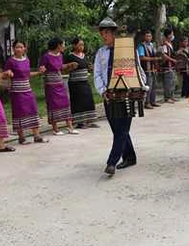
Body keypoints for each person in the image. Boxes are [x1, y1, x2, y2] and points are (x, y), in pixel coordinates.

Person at [93, 18, 144, 177]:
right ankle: (130, 157)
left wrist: (143, 87)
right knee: (118, 130)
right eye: (102, 34)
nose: (104, 37)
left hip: (126, 95)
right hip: (109, 96)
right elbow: (97, 74)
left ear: (114, 34)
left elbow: (138, 71)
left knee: (122, 129)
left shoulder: (129, 50)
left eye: (107, 33)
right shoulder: (101, 52)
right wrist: (102, 91)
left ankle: (111, 162)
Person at [4, 41, 46, 145]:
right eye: (17, 47)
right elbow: (5, 74)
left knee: (33, 110)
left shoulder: (26, 60)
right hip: (17, 91)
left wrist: (39, 72)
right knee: (19, 112)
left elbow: (27, 74)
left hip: (27, 89)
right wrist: (8, 74)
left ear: (24, 49)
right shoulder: (10, 61)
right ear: (13, 49)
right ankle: (21, 137)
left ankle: (37, 136)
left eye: (21, 47)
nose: (19, 49)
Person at [40, 38, 79, 135]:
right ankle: (55, 128)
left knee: (65, 102)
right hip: (50, 84)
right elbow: (42, 68)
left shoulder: (60, 55)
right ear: (58, 45)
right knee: (53, 104)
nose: (64, 47)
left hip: (60, 82)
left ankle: (70, 127)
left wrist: (70, 65)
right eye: (63, 44)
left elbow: (61, 67)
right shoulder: (46, 56)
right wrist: (42, 70)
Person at [65, 38, 98, 129]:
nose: (82, 47)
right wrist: (71, 66)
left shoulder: (84, 56)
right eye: (80, 45)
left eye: (83, 45)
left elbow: (87, 66)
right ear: (74, 45)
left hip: (84, 81)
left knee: (88, 100)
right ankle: (80, 122)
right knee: (78, 102)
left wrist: (91, 67)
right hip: (75, 83)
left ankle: (90, 120)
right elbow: (64, 69)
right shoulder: (70, 56)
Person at [137, 31, 160, 110]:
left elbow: (155, 54)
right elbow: (141, 57)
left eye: (150, 36)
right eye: (147, 36)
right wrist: (154, 59)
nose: (149, 38)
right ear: (144, 37)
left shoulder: (152, 45)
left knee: (154, 86)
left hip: (153, 68)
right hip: (146, 69)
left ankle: (153, 101)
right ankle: (147, 103)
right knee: (148, 86)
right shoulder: (141, 46)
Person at [159, 29, 177, 104]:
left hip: (172, 66)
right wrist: (172, 60)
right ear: (168, 35)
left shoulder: (170, 43)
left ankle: (172, 96)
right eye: (172, 34)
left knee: (172, 82)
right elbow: (164, 55)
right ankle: (167, 97)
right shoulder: (164, 44)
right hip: (167, 66)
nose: (173, 35)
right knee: (168, 83)